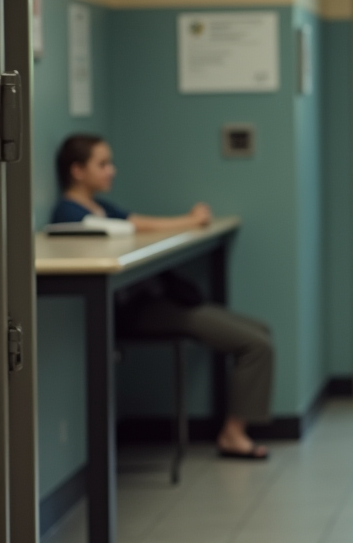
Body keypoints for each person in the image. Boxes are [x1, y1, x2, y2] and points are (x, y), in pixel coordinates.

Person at [52, 134, 274, 460]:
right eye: (103, 164)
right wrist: (190, 220)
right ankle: (233, 434)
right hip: (130, 310)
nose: (112, 171)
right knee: (257, 344)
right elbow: (128, 227)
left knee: (260, 331)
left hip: (150, 301)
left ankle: (235, 428)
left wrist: (189, 221)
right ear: (77, 171)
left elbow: (136, 222)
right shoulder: (70, 215)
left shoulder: (100, 207)